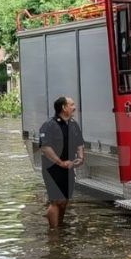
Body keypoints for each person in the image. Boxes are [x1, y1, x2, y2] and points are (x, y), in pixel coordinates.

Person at [39, 96, 84, 228]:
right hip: (52, 168)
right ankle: (54, 232)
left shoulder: (74, 125)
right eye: (71, 105)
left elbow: (79, 143)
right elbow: (45, 148)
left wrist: (80, 158)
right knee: (57, 200)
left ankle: (59, 224)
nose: (74, 107)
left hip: (69, 167)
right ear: (64, 108)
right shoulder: (49, 125)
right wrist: (60, 162)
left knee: (64, 201)